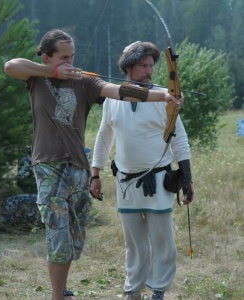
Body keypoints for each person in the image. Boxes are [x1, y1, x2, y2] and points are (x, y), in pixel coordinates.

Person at [4, 29, 183, 300]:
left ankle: (62, 289)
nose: (70, 61)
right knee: (58, 236)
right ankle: (57, 296)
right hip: (49, 166)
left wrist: (165, 96)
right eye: (63, 57)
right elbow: (10, 66)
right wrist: (53, 73)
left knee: (74, 239)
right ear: (46, 56)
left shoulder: (85, 81)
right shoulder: (35, 78)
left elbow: (120, 91)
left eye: (72, 56)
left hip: (78, 167)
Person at [90, 41, 194, 300]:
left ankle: (158, 290)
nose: (149, 71)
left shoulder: (163, 96)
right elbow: (104, 136)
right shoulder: (113, 98)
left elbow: (178, 137)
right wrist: (95, 173)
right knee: (134, 244)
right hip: (126, 182)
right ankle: (133, 290)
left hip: (158, 179)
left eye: (151, 66)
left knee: (163, 242)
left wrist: (187, 178)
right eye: (143, 65)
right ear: (128, 67)